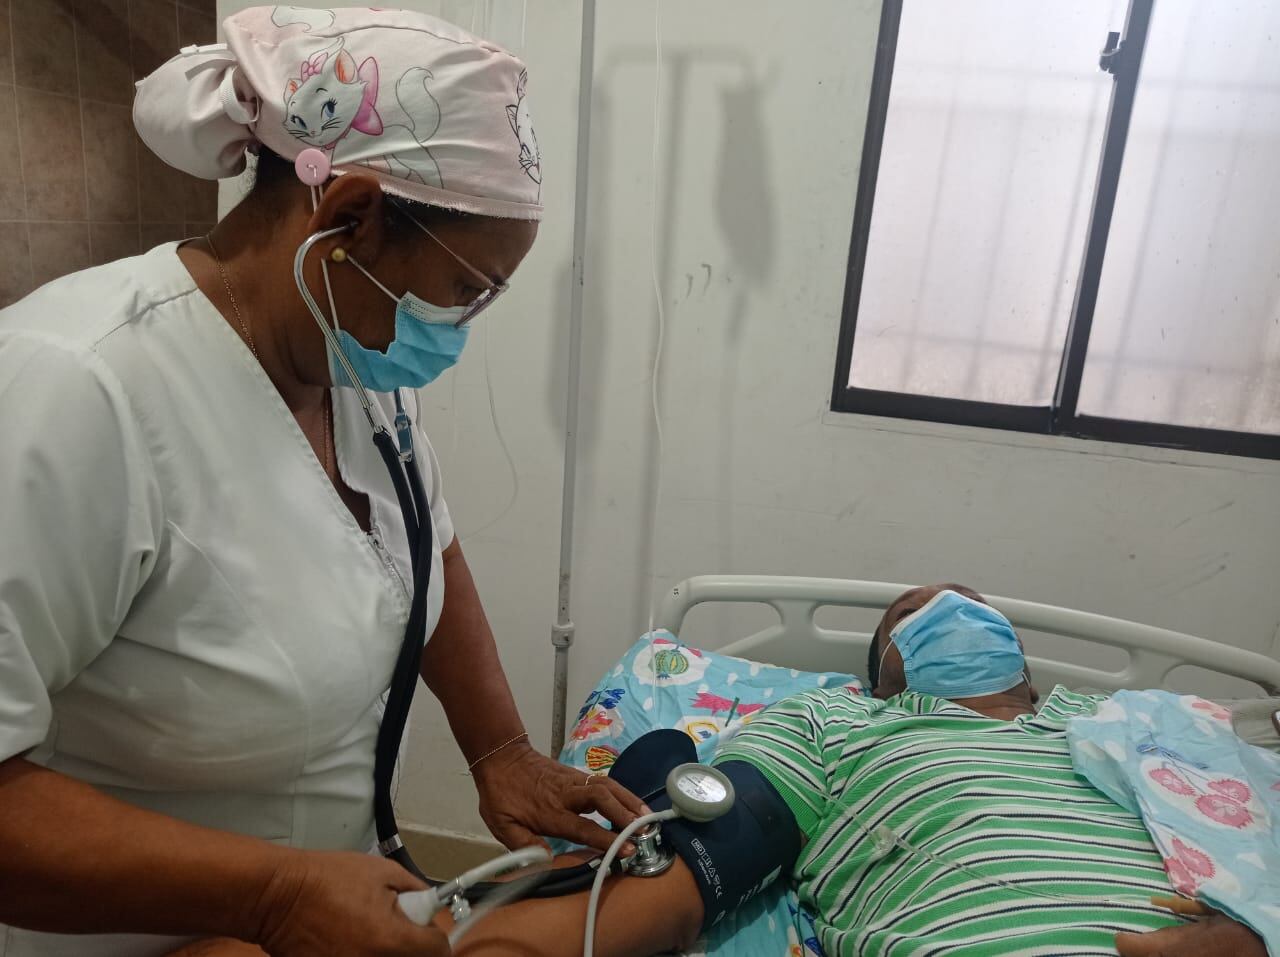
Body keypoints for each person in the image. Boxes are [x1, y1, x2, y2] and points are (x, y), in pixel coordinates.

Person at [0, 8, 641, 957]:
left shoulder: (346, 359)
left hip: (322, 908)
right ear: (346, 215)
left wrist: (500, 749)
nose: (458, 329)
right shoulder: (75, 389)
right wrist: (272, 896)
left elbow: (424, 542)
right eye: (463, 291)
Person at [377, 584, 1268, 956]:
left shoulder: (1142, 720)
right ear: (884, 673)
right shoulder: (838, 717)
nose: (950, 602)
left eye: (970, 605)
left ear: (1025, 666)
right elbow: (697, 863)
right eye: (916, 612)